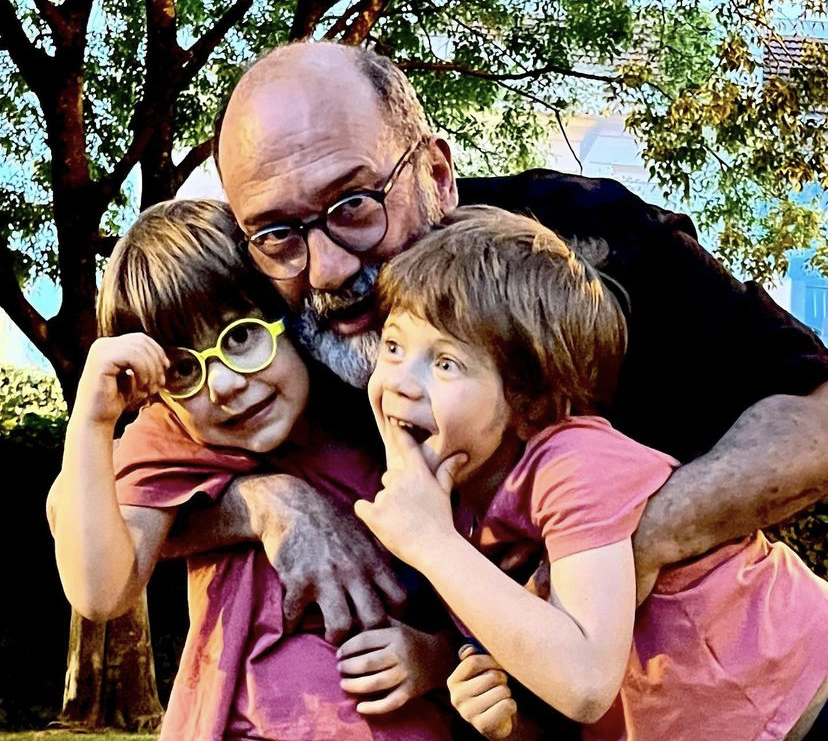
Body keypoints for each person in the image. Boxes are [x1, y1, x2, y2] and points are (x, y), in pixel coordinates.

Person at [357, 205, 828, 741]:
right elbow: (536, 655)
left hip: (806, 700)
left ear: (530, 400)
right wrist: (466, 683)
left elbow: (584, 681)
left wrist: (431, 544)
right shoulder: (457, 507)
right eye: (393, 346)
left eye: (446, 363)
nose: (400, 382)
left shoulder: (574, 463)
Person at [48, 199, 456, 741]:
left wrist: (432, 657)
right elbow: (100, 592)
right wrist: (93, 421)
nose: (223, 384)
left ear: (288, 314)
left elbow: (463, 585)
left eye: (241, 336)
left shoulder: (379, 418)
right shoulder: (173, 437)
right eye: (183, 369)